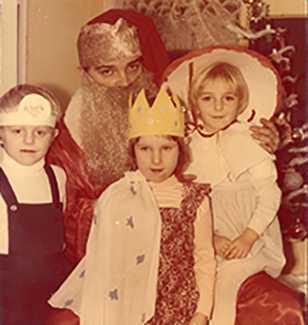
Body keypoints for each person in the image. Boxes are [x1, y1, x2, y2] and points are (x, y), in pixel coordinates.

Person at [47, 9, 280, 265]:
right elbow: (66, 217)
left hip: (192, 241)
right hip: (112, 254)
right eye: (107, 72)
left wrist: (262, 139)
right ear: (84, 73)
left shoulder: (170, 104)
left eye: (133, 66)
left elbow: (221, 122)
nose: (124, 81)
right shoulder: (67, 142)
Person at [162, 45, 305, 325]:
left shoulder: (251, 140)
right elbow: (189, 205)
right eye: (207, 98)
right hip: (208, 238)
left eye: (228, 98)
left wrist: (248, 237)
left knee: (226, 280)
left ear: (240, 103)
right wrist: (211, 240)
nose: (218, 107)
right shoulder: (189, 145)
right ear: (194, 102)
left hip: (252, 238)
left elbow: (269, 196)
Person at [48, 87, 216, 325]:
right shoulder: (119, 196)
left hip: (179, 306)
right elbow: (105, 262)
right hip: (129, 306)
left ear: (181, 149)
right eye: (145, 148)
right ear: (132, 151)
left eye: (167, 148)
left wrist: (203, 312)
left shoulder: (195, 199)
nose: (156, 160)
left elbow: (204, 258)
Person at [0, 85, 72, 324]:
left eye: (40, 132)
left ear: (54, 135)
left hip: (50, 294)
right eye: (17, 131)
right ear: (1, 133)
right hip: (7, 300)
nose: (29, 140)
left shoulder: (58, 177)